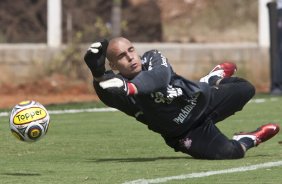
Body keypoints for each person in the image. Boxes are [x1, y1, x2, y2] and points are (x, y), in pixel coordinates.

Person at [83, 37, 280, 160]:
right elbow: (107, 94)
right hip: (186, 132)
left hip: (201, 99)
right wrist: (97, 72)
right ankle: (248, 139)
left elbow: (159, 79)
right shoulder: (119, 90)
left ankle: (210, 80)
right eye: (121, 56)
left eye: (131, 50)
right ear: (114, 65)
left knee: (246, 89)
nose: (130, 57)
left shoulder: (152, 58)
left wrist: (130, 87)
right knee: (232, 152)